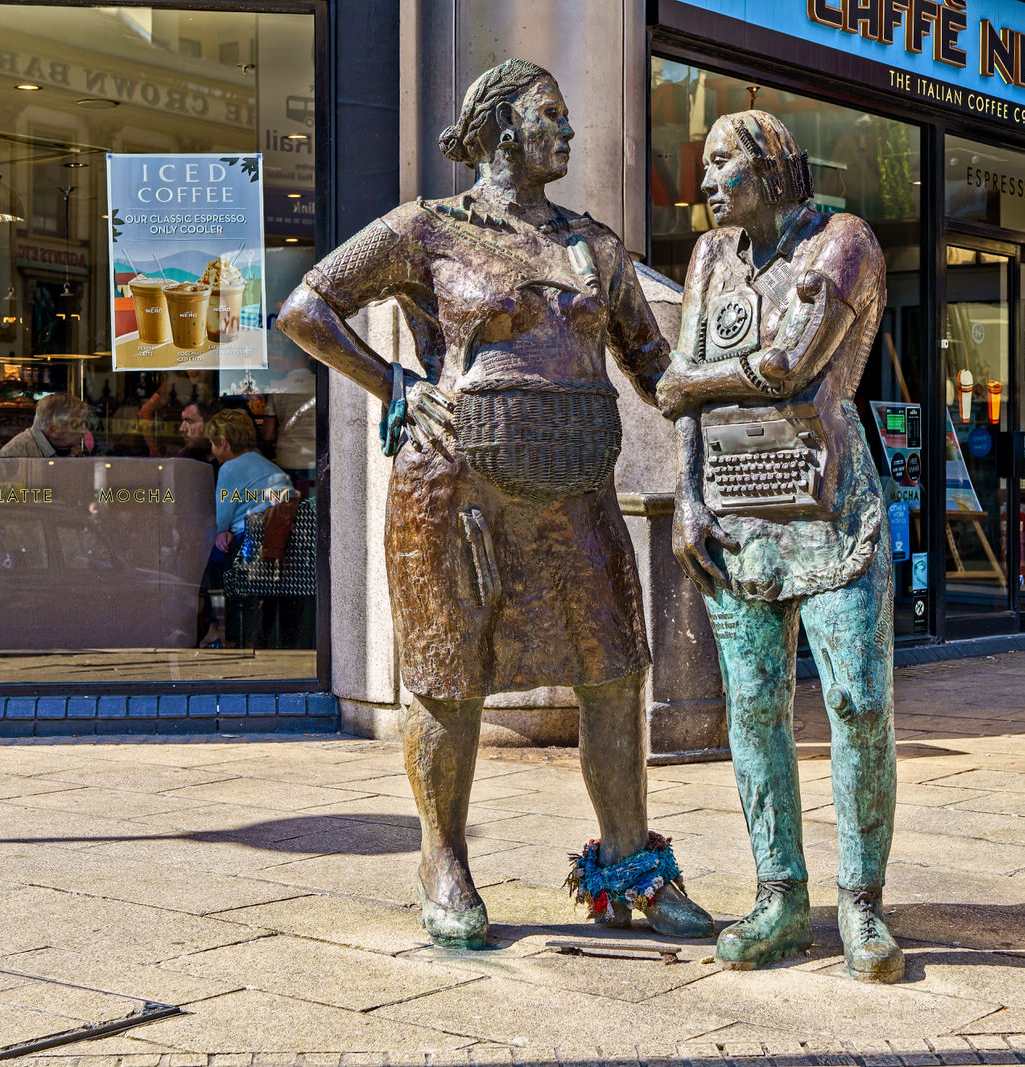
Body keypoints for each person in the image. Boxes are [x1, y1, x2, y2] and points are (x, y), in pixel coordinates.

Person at [276, 58, 712, 949]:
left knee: (616, 669)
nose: (568, 131)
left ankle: (631, 863)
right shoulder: (427, 229)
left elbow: (652, 363)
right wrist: (393, 380)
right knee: (448, 677)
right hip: (454, 490)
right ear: (503, 130)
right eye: (551, 115)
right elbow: (305, 305)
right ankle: (444, 859)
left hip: (577, 488)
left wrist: (742, 400)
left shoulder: (595, 246)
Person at [655, 110, 901, 981]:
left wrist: (686, 379)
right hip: (734, 510)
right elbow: (682, 397)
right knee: (753, 707)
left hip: (830, 509)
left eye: (724, 165)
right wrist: (687, 496)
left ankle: (861, 901)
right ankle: (780, 897)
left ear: (773, 166)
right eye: (706, 167)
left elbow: (791, 364)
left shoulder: (844, 242)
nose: (708, 182)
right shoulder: (712, 257)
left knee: (859, 701)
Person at [207, 408, 293, 546]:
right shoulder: (268, 465)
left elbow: (221, 520)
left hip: (250, 540)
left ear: (223, 443)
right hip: (279, 538)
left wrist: (222, 531)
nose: (212, 450)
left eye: (212, 443)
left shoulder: (229, 469)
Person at [0, 393, 92, 458]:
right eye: (76, 425)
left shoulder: (71, 448)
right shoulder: (15, 455)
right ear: (54, 430)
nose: (85, 431)